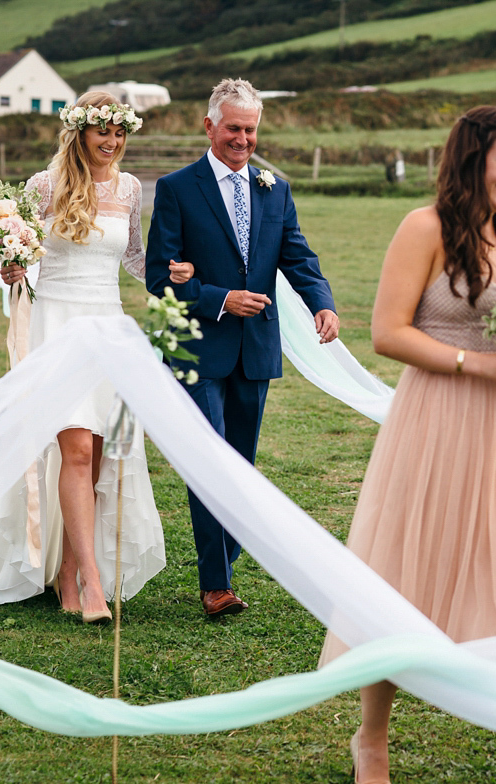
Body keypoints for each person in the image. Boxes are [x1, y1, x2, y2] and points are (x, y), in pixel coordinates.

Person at [318, 106, 496, 784]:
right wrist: (474, 364)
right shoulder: (423, 227)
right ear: (473, 159)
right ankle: (371, 737)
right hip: (435, 425)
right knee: (406, 574)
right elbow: (386, 332)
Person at [0, 91, 191, 623]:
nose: (112, 143)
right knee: (75, 451)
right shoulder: (44, 186)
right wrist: (11, 266)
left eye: (119, 133)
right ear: (80, 133)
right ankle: (92, 584)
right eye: (102, 132)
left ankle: (69, 569)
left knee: (95, 456)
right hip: (58, 323)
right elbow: (18, 250)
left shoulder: (131, 188)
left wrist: (169, 274)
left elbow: (134, 257)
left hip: (108, 326)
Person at [145, 78, 339, 618]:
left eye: (251, 129)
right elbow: (159, 276)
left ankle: (222, 566)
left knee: (240, 465)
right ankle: (216, 584)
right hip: (197, 349)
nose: (243, 139)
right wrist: (220, 298)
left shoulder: (275, 188)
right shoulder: (178, 188)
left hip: (254, 351)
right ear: (209, 126)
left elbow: (298, 255)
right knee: (210, 462)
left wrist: (321, 301)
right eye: (234, 128)